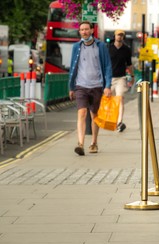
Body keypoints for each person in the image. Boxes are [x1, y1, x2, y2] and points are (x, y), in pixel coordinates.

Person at [69, 21, 112, 156]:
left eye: (86, 29)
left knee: (95, 115)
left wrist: (107, 86)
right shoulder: (77, 47)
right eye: (82, 30)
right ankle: (80, 144)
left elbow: (107, 66)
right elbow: (72, 67)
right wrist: (71, 87)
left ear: (92, 30)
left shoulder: (101, 46)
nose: (84, 32)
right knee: (82, 113)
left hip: (97, 85)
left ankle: (94, 143)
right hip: (81, 85)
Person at [109, 29, 134, 132]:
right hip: (109, 78)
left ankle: (119, 122)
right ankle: (113, 120)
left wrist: (132, 76)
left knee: (120, 99)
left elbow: (129, 64)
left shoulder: (127, 49)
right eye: (118, 35)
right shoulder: (108, 48)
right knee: (111, 101)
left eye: (121, 35)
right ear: (114, 36)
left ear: (123, 37)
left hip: (121, 78)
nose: (119, 37)